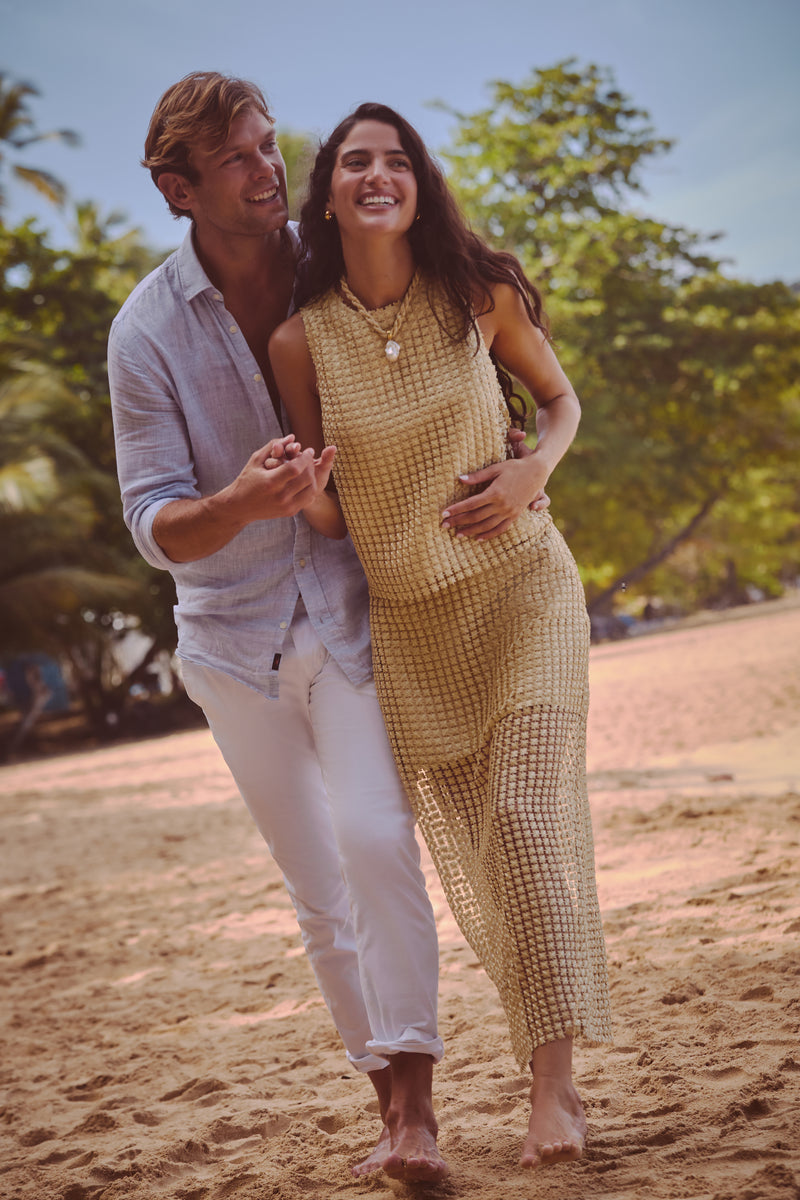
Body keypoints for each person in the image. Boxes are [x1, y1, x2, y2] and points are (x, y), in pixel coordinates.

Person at [107, 74, 451, 1184]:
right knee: (317, 892)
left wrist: (521, 452)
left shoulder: (332, 260)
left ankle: (419, 1107)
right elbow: (156, 522)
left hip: (350, 611)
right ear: (176, 191)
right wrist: (237, 506)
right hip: (229, 641)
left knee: (372, 837)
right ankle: (386, 1102)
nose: (269, 172)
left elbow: (443, 329)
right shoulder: (143, 333)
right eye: (238, 160)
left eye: (268, 148)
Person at [268, 102, 613, 1171]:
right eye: (354, 162)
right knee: (480, 854)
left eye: (396, 160)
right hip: (414, 624)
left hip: (522, 590)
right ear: (326, 191)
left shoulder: (477, 293)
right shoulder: (297, 339)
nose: (378, 174)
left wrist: (527, 473)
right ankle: (542, 1053)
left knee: (517, 816)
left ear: (418, 182)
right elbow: (332, 513)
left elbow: (556, 407)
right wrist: (305, 499)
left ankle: (551, 1089)